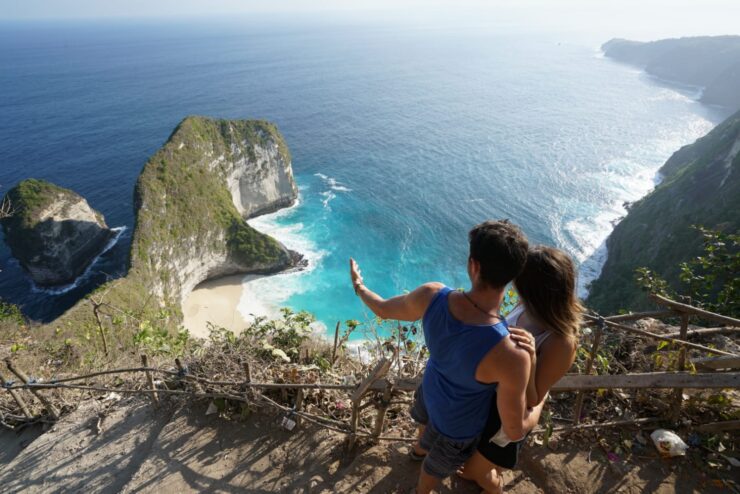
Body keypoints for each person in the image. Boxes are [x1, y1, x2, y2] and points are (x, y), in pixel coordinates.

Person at [349, 220, 544, 494]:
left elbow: (382, 308)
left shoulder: (432, 296)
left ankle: (416, 452)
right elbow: (514, 431)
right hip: (459, 428)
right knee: (433, 471)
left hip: (430, 393)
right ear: (513, 275)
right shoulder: (511, 353)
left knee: (424, 433)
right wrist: (539, 404)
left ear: (473, 265)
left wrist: (359, 285)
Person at [459, 246, 583, 493]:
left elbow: (533, 399)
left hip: (508, 416)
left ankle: (496, 489)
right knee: (469, 462)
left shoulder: (560, 341)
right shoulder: (526, 306)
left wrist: (531, 360)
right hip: (489, 400)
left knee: (477, 472)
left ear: (534, 289)